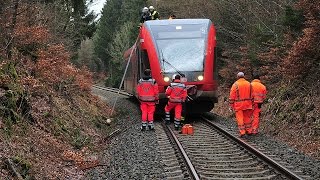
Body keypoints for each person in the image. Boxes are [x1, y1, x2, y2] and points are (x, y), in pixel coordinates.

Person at [229, 72, 253, 137]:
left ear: (237, 77)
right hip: (248, 104)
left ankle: (242, 132)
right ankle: (249, 130)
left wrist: (231, 106)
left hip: (239, 105)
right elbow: (252, 94)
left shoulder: (235, 85)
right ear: (244, 76)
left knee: (240, 118)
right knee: (247, 118)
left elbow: (232, 96)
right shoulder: (249, 84)